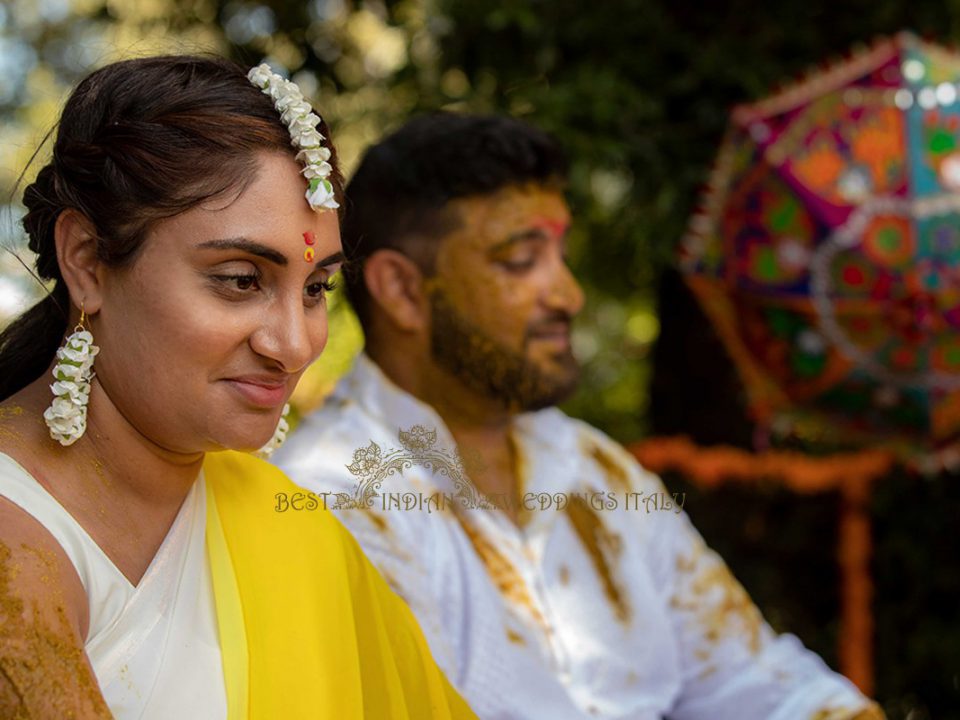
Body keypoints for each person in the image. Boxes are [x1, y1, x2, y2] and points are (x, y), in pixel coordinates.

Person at [274, 113, 886, 720]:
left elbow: (759, 682)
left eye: (559, 256)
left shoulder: (593, 468)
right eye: (520, 260)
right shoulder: (334, 498)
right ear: (403, 291)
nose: (568, 294)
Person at [0, 55, 475, 719]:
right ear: (87, 262)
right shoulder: (14, 547)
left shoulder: (284, 522)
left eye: (316, 288)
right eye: (241, 279)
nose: (294, 344)